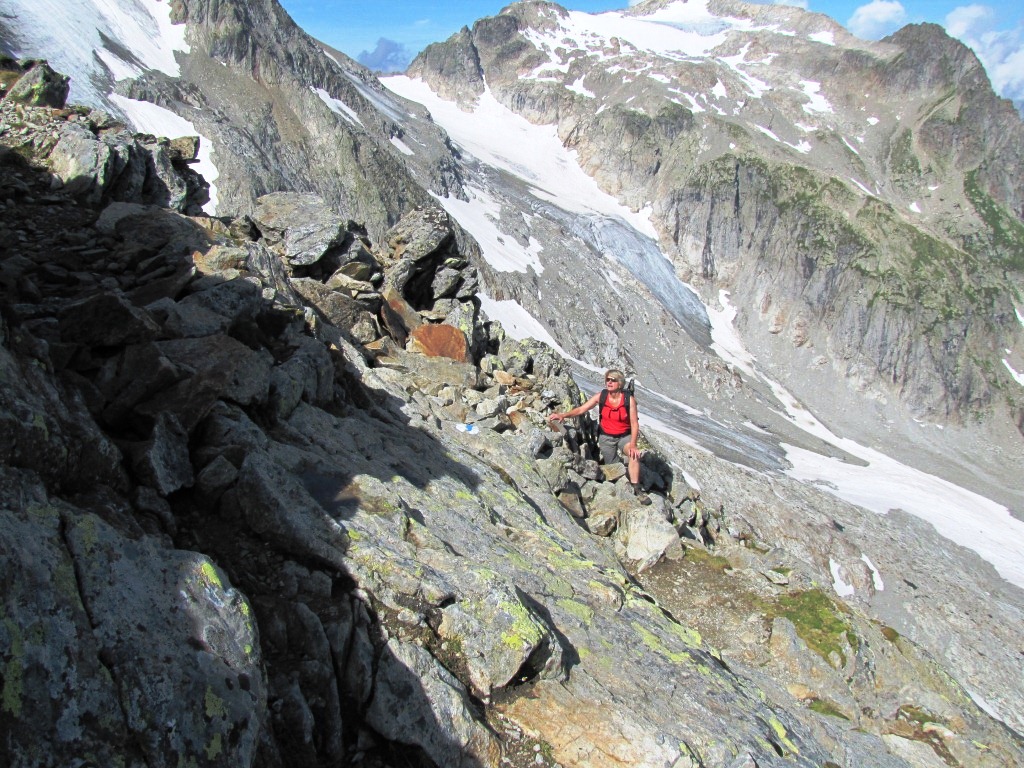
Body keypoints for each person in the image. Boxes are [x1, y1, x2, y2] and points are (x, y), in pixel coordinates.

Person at [549, 369, 650, 503]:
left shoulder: (628, 400)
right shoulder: (601, 396)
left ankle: (637, 489)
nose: (609, 382)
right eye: (607, 379)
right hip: (606, 437)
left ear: (620, 383)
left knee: (633, 455)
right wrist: (563, 415)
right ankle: (623, 483)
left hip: (624, 436)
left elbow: (634, 424)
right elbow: (581, 409)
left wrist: (633, 444)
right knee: (613, 468)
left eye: (613, 380)